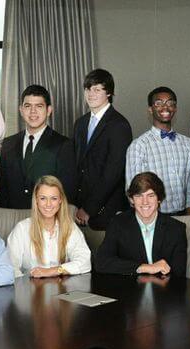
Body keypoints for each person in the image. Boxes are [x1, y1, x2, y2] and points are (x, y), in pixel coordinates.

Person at [72, 68, 133, 230]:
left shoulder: (119, 125)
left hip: (106, 210)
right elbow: (77, 166)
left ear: (109, 93)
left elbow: (113, 173)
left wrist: (89, 209)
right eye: (88, 89)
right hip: (78, 208)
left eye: (97, 89)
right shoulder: (80, 123)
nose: (90, 94)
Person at [94, 172, 188, 277]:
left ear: (159, 199)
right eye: (139, 196)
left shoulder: (176, 229)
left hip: (164, 286)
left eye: (150, 195)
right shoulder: (118, 223)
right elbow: (101, 262)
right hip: (129, 286)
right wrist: (142, 267)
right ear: (131, 199)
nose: (145, 202)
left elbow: (179, 274)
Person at [0, 85, 75, 209]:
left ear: (49, 110)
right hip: (12, 216)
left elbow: (67, 192)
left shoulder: (63, 144)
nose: (33, 111)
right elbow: (2, 191)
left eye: (39, 106)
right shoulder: (8, 144)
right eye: (28, 106)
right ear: (21, 110)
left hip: (47, 215)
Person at [125, 86, 190, 216]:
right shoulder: (139, 146)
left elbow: (189, 185)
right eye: (159, 103)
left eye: (170, 103)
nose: (165, 107)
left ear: (175, 108)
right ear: (150, 109)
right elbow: (134, 191)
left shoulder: (187, 143)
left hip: (184, 216)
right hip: (154, 217)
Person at [7, 176, 91, 277]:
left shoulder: (70, 227)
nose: (48, 204)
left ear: (60, 200)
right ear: (36, 200)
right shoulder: (21, 229)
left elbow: (85, 262)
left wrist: (53, 271)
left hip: (62, 286)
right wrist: (26, 284)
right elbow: (10, 268)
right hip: (30, 285)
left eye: (54, 198)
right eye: (43, 198)